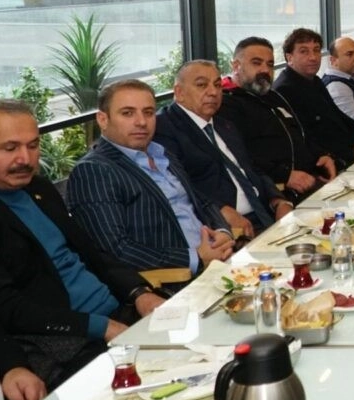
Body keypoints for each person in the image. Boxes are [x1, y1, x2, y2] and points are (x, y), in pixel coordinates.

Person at [0, 100, 165, 389]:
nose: (25, 158)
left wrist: (138, 292)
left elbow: (90, 252)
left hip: (118, 311)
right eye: (10, 148)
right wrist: (101, 326)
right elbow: (8, 307)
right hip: (67, 339)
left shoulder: (39, 188)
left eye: (33, 145)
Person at [68, 80, 234, 274]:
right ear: (103, 120)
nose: (141, 122)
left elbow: (200, 201)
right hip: (178, 279)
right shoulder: (93, 171)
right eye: (127, 113)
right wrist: (195, 257)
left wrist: (222, 231)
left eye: (148, 112)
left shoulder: (161, 153)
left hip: (220, 259)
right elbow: (116, 249)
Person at [155, 61, 293, 239]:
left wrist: (278, 200)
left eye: (217, 85)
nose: (213, 92)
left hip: (265, 215)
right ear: (179, 92)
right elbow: (179, 186)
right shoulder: (164, 128)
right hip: (227, 231)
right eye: (202, 85)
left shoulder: (224, 124)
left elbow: (251, 168)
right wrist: (220, 210)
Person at [217, 37, 339, 200]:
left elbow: (300, 133)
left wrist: (322, 155)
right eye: (256, 63)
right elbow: (240, 156)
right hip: (277, 192)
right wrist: (285, 175)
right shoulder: (225, 104)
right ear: (236, 66)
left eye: (270, 64)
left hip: (311, 178)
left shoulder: (273, 97)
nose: (265, 70)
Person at [273, 28, 354, 167]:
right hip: (325, 163)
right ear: (289, 57)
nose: (313, 57)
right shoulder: (284, 89)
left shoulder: (314, 81)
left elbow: (338, 116)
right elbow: (306, 138)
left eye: (316, 50)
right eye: (304, 51)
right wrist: (351, 154)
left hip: (347, 152)